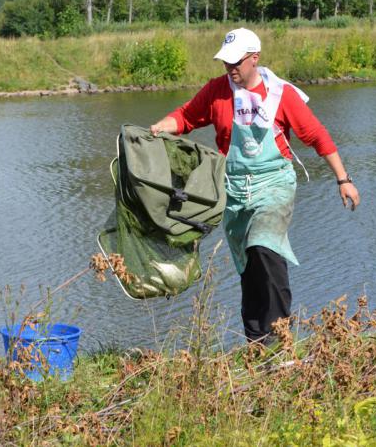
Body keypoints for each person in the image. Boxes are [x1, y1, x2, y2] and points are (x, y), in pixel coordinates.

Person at [150, 27, 360, 344]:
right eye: (226, 62)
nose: (230, 68)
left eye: (237, 62)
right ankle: (256, 343)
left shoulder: (280, 94)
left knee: (265, 247)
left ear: (254, 58)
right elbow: (186, 117)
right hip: (233, 191)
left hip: (273, 184)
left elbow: (317, 136)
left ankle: (281, 338)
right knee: (248, 265)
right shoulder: (217, 91)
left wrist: (343, 179)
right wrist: (161, 127)